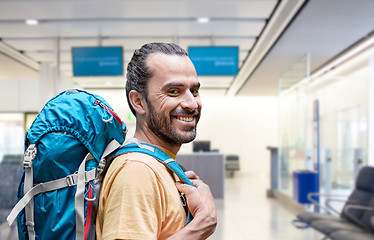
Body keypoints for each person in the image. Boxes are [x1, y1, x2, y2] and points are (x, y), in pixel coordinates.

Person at [96, 42, 217, 240]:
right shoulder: (136, 170)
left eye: (194, 91)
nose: (191, 103)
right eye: (173, 91)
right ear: (138, 101)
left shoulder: (158, 164)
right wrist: (203, 224)